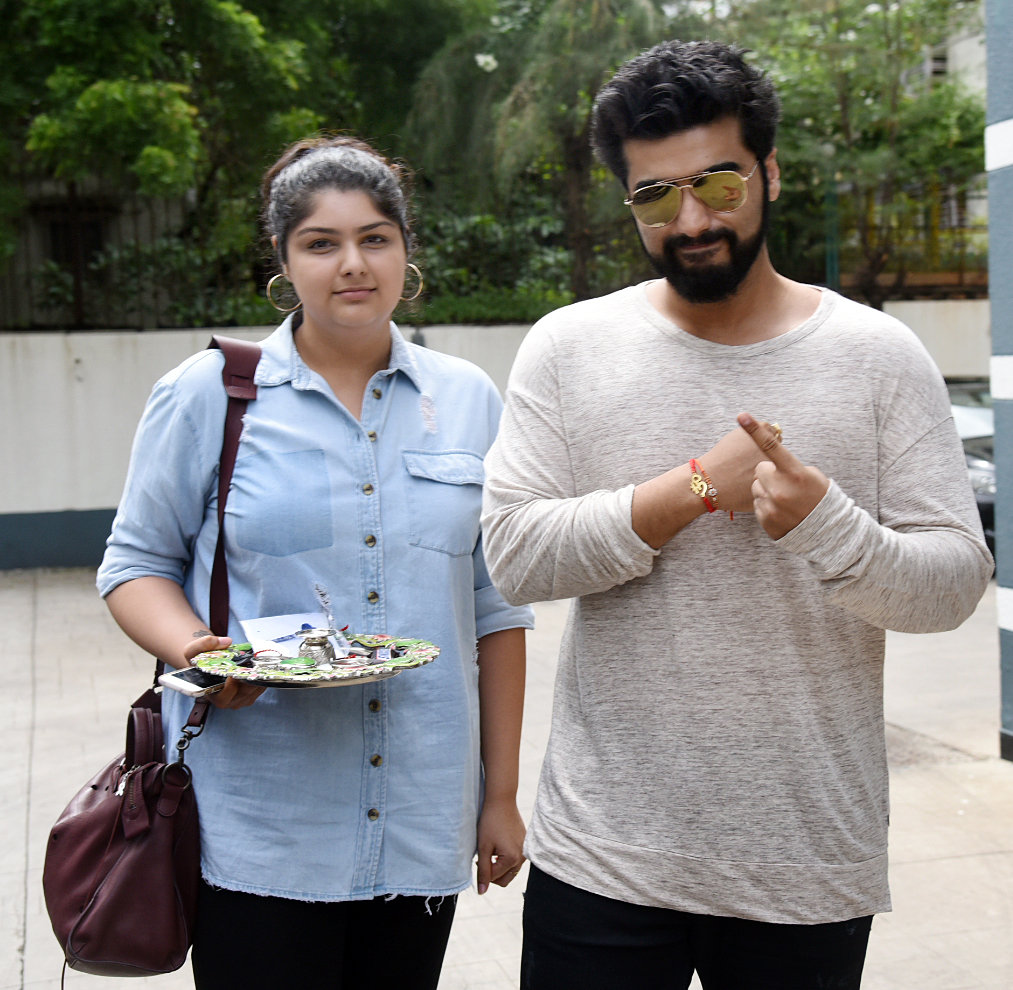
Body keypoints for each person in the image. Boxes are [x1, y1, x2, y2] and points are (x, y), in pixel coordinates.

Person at [480, 40, 992, 990]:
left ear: (770, 173)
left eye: (717, 184)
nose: (690, 220)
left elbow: (955, 584)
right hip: (603, 857)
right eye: (654, 197)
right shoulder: (567, 347)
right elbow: (514, 556)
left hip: (806, 861)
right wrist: (693, 490)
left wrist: (828, 527)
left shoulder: (880, 357)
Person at [97, 135, 533, 990]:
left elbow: (496, 607)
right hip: (259, 822)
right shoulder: (211, 393)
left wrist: (500, 796)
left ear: (406, 249)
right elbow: (135, 564)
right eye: (321, 243)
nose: (352, 264)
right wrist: (200, 651)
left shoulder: (467, 398)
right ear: (283, 258)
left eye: (375, 238)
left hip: (419, 814)